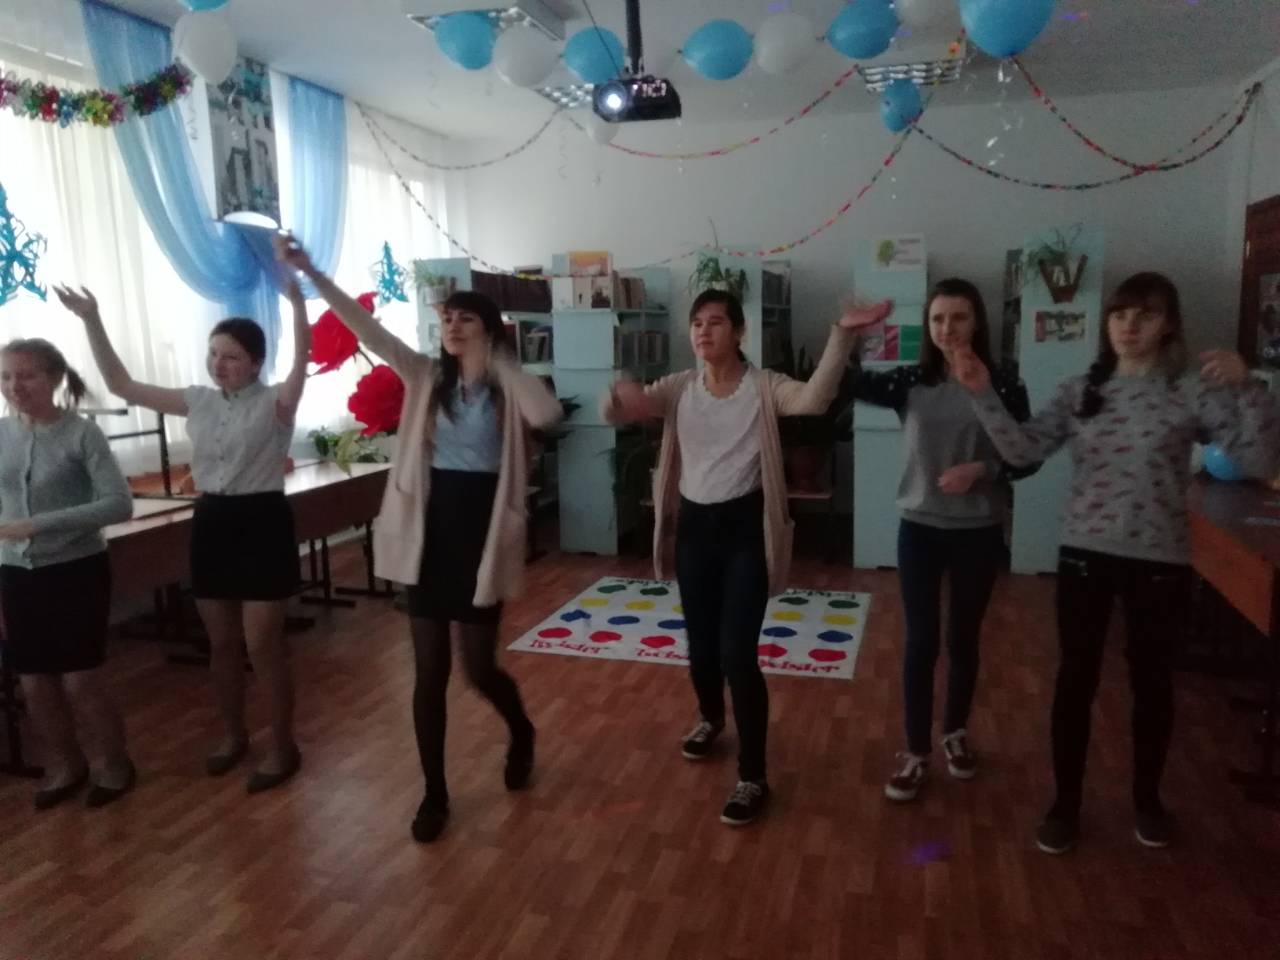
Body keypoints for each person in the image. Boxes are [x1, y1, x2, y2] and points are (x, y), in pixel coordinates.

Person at [951, 271, 1280, 853]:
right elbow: (1023, 449)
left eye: (1145, 315)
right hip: (1085, 554)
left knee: (1152, 684)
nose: (1130, 326)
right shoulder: (1082, 391)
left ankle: (1148, 801)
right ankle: (1065, 805)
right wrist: (982, 393)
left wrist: (1250, 387)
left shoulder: (1190, 391)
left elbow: (1257, 460)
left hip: (1160, 558)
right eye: (1121, 314)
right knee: (1075, 681)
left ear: (1168, 324)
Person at [275, 236, 562, 844]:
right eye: (448, 318)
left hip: (482, 534)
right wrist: (313, 274)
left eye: (466, 319)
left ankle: (521, 730)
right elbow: (365, 328)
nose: (452, 326)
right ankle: (435, 792)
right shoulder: (426, 375)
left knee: (478, 670)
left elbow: (546, 415)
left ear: (489, 329)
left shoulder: (510, 385)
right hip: (429, 533)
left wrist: (501, 360)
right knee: (429, 672)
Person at [602, 288, 891, 826]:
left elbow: (814, 400)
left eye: (716, 322)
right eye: (697, 322)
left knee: (737, 654)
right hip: (695, 531)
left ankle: (753, 775)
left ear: (739, 332)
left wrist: (843, 335)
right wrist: (618, 400)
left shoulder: (764, 386)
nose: (703, 331)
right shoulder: (679, 387)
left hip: (745, 532)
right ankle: (711, 718)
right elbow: (624, 409)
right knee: (701, 648)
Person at [55, 282, 311, 793]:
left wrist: (299, 304)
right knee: (222, 644)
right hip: (213, 521)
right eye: (214, 353)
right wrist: (91, 319)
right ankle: (234, 735)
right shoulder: (198, 400)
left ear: (256, 363)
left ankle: (283, 746)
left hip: (262, 522)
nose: (219, 364)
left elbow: (302, 360)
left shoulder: (277, 402)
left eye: (231, 357)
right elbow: (123, 385)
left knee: (263, 645)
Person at [851, 279, 1036, 803]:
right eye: (937, 319)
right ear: (927, 326)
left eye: (958, 317)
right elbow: (846, 385)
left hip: (978, 531)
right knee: (921, 641)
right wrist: (847, 334)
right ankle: (915, 751)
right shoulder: (913, 379)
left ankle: (954, 732)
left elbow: (1029, 457)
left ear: (977, 322)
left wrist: (983, 470)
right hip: (920, 530)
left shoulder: (1003, 381)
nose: (947, 328)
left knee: (963, 640)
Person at [0, 337, 135, 808]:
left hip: (76, 570)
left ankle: (115, 764)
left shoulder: (82, 433)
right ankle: (66, 765)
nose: (15, 386)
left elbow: (118, 504)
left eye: (27, 375)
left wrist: (38, 524)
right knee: (34, 681)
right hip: (16, 573)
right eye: (6, 377)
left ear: (55, 379)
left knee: (81, 679)